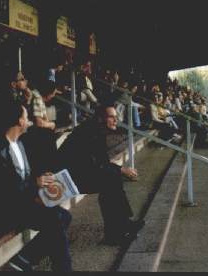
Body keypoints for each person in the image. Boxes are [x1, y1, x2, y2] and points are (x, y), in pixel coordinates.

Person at [0, 98, 72, 271]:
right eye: (26, 116)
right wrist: (35, 185)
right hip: (3, 208)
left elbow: (23, 178)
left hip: (21, 201)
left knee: (65, 216)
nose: (28, 120)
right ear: (19, 121)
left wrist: (41, 179)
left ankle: (25, 258)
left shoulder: (19, 143)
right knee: (54, 220)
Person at [56, 104, 145, 245]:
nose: (116, 120)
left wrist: (119, 169)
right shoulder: (89, 132)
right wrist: (121, 170)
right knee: (110, 178)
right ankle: (117, 231)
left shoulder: (97, 130)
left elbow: (100, 162)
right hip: (64, 179)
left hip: (77, 173)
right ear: (100, 118)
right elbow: (92, 165)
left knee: (111, 178)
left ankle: (120, 227)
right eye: (111, 117)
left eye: (116, 117)